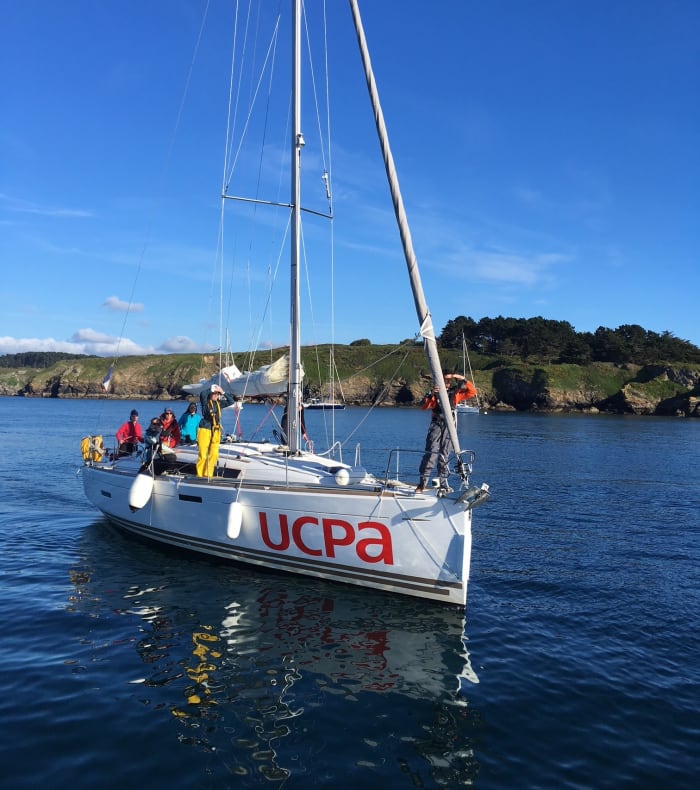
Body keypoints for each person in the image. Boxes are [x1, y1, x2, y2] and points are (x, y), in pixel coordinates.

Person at [416, 374, 476, 492]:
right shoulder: (434, 393)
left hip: (449, 425)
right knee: (431, 453)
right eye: (445, 380)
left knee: (445, 455)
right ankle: (422, 483)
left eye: (449, 381)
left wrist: (461, 378)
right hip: (436, 424)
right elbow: (424, 406)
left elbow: (472, 392)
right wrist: (432, 394)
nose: (447, 383)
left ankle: (441, 483)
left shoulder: (456, 393)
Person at [196, 384, 238, 477]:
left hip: (216, 429)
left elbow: (231, 401)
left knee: (214, 453)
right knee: (203, 453)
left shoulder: (219, 403)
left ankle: (208, 473)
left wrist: (223, 392)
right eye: (214, 393)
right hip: (205, 427)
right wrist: (211, 388)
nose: (216, 395)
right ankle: (200, 474)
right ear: (210, 394)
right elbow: (202, 394)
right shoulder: (205, 402)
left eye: (217, 394)